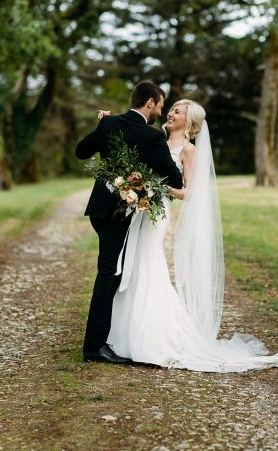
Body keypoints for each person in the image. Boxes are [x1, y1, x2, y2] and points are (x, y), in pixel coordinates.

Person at [106, 99, 278, 372]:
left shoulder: (189, 150)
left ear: (190, 122)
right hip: (140, 211)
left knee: (149, 263)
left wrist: (152, 186)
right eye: (171, 109)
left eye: (177, 111)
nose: (170, 113)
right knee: (132, 262)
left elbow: (188, 193)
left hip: (158, 213)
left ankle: (154, 335)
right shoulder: (156, 140)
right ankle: (123, 333)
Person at [75, 81, 183, 364]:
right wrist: (145, 177)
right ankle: (94, 346)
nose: (161, 110)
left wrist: (100, 126)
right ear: (150, 103)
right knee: (109, 274)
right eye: (160, 105)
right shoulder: (151, 137)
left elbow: (81, 151)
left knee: (111, 272)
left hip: (99, 210)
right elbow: (175, 179)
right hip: (119, 214)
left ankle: (105, 337)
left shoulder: (108, 124)